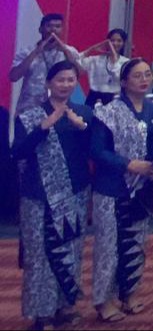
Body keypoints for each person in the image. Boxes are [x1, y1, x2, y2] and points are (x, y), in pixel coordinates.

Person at [14, 62, 92, 328]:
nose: (66, 84)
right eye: (60, 79)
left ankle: (64, 306)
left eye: (71, 80)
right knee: (40, 254)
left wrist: (82, 128)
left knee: (71, 250)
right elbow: (17, 152)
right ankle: (41, 313)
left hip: (75, 193)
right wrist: (43, 127)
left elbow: (94, 151)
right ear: (48, 83)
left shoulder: (83, 113)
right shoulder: (29, 116)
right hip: (38, 195)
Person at [89, 59, 153, 322]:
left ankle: (129, 293)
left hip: (142, 188)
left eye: (147, 74)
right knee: (108, 246)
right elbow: (97, 151)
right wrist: (128, 164)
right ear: (124, 82)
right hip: (112, 188)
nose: (144, 80)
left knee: (136, 243)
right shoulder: (108, 112)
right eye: (137, 76)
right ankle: (104, 300)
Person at [10, 13, 82, 113]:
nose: (53, 30)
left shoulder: (70, 51)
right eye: (49, 26)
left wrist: (66, 52)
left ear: (62, 30)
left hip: (59, 108)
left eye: (57, 26)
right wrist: (36, 52)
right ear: (41, 29)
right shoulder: (27, 52)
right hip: (29, 107)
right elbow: (13, 76)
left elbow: (80, 73)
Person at [79, 29, 129, 108]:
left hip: (114, 98)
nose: (115, 43)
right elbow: (76, 63)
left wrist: (114, 56)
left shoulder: (126, 62)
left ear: (123, 43)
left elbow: (119, 76)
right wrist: (92, 49)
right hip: (94, 97)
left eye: (119, 41)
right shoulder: (96, 60)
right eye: (112, 40)